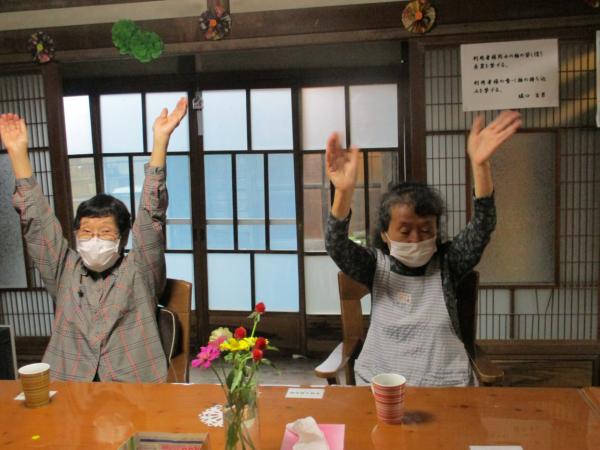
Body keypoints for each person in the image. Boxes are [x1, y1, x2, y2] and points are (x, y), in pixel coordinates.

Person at [325, 110, 521, 386]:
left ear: (437, 231)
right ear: (385, 234)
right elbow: (336, 245)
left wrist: (480, 167)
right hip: (380, 386)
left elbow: (482, 226)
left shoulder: (449, 263)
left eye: (426, 230)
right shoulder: (374, 266)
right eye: (405, 231)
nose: (416, 239)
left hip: (445, 385)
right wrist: (343, 192)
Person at [0, 97, 188, 382]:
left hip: (133, 385)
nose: (94, 240)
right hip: (68, 383)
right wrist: (17, 154)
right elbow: (36, 222)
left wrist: (160, 142)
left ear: (123, 237)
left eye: (105, 233)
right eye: (86, 232)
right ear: (75, 234)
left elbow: (152, 216)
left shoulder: (140, 270)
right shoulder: (64, 269)